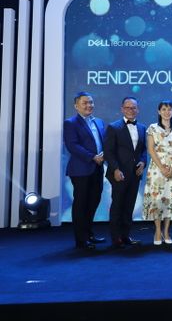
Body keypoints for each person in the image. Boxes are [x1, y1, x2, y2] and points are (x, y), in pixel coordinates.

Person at [63, 92, 106, 250]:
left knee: (94, 201)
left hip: (98, 168)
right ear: (76, 106)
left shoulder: (99, 122)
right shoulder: (70, 123)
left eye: (91, 102)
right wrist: (92, 157)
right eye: (85, 103)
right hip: (81, 169)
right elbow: (72, 145)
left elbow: (104, 142)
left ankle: (89, 234)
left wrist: (104, 154)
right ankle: (81, 240)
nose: (89, 105)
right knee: (81, 204)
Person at [103, 97, 147, 248]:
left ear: (137, 110)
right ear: (122, 109)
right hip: (119, 173)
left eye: (133, 107)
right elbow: (108, 152)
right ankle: (116, 238)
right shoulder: (113, 127)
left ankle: (126, 235)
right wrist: (115, 169)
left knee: (129, 206)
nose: (130, 110)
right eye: (127, 107)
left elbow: (143, 150)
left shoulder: (142, 127)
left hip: (135, 174)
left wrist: (143, 162)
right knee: (117, 205)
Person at [142, 100, 172, 246]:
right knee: (157, 199)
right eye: (164, 109)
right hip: (156, 169)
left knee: (170, 199)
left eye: (170, 109)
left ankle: (166, 231)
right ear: (159, 111)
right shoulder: (152, 128)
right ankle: (158, 231)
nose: (167, 112)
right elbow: (150, 149)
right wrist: (162, 168)